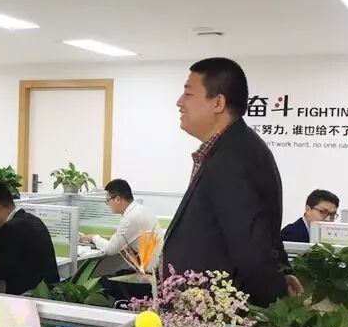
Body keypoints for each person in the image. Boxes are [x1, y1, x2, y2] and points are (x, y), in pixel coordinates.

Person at [161, 57, 300, 306]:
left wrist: (276, 293)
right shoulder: (229, 149)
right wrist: (280, 274)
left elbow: (251, 247)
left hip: (220, 313)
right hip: (205, 308)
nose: (179, 102)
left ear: (217, 102)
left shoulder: (235, 159)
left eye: (188, 93)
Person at [0, 181, 60, 295]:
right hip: (47, 294)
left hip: (28, 297)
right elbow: (21, 260)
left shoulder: (10, 228)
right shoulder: (33, 220)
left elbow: (1, 271)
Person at [80, 178, 163, 259]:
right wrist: (102, 237)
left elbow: (110, 249)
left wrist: (93, 238)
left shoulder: (130, 218)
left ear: (117, 199)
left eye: (107, 200)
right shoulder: (140, 210)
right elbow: (122, 238)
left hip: (149, 266)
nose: (107, 204)